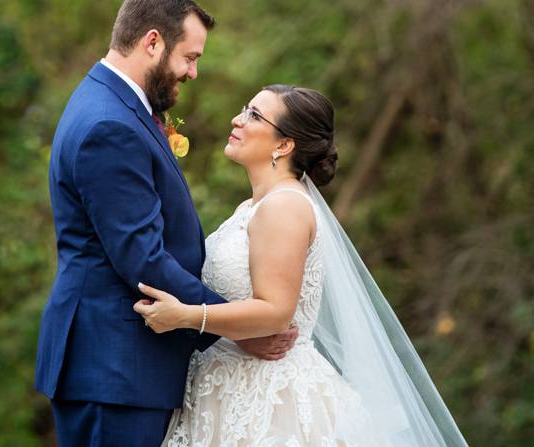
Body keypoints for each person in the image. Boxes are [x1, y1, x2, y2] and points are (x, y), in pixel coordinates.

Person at [135, 85, 472, 447]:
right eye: (245, 108)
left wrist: (186, 316)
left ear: (284, 145)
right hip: (224, 389)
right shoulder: (250, 207)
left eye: (254, 115)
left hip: (271, 403)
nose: (238, 119)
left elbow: (276, 312)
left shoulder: (285, 207)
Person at [34, 0, 297, 447]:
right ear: (152, 42)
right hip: (116, 371)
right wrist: (231, 328)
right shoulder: (110, 125)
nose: (193, 72)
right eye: (189, 57)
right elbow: (142, 259)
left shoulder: (109, 103)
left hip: (121, 369)